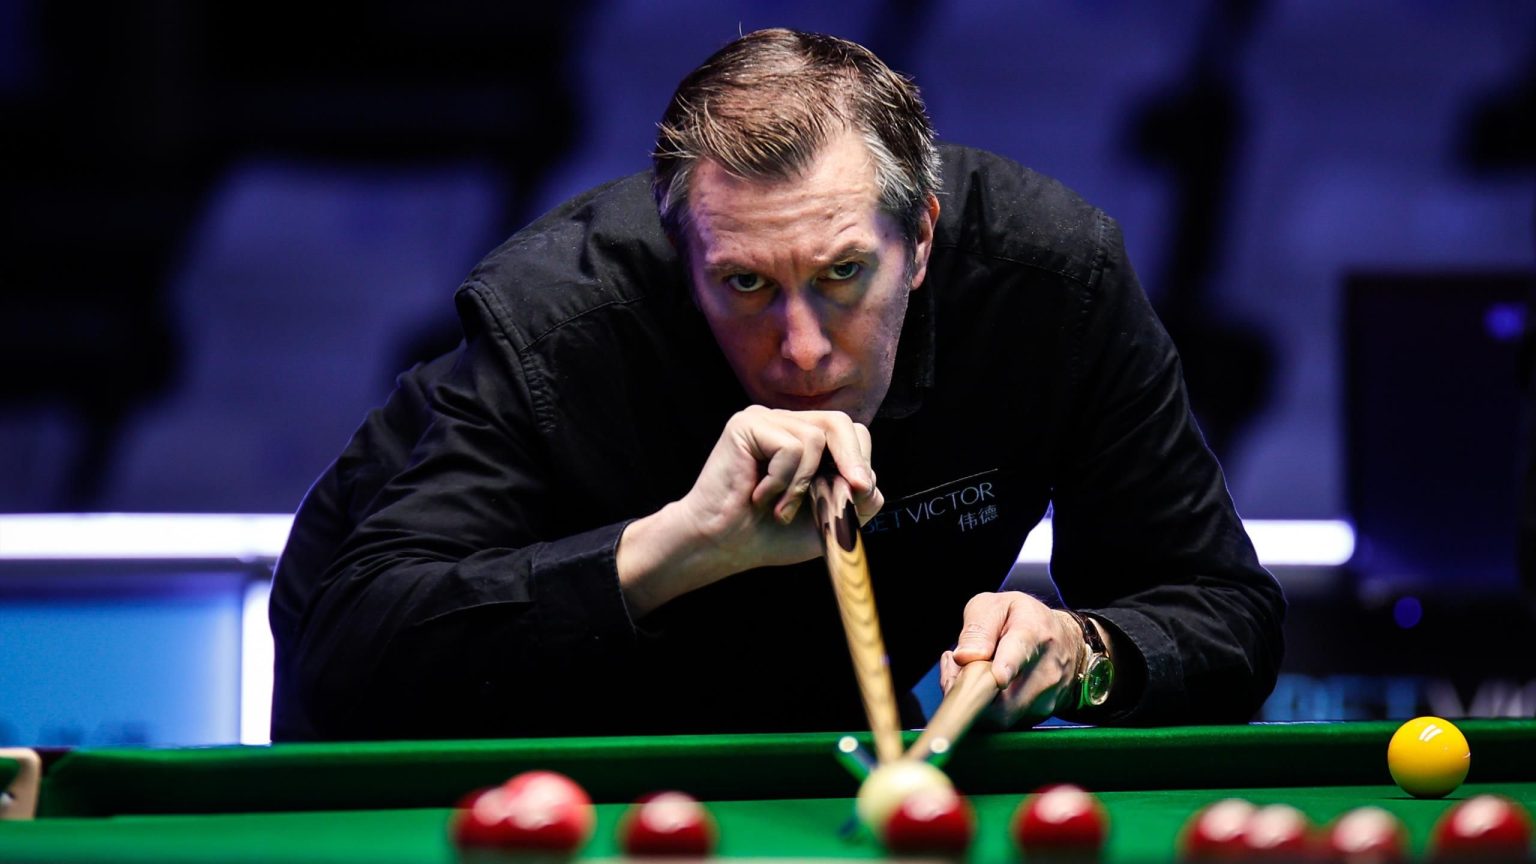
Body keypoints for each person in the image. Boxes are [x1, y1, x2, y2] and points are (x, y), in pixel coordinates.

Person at [268, 28, 1285, 741]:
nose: (801, 350)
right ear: (684, 263)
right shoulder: (559, 322)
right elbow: (354, 651)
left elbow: (1222, 607)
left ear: (921, 241)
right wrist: (679, 545)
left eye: (844, 273)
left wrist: (1085, 649)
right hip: (528, 729)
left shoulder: (1048, 287)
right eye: (746, 284)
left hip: (814, 713)